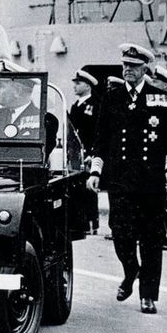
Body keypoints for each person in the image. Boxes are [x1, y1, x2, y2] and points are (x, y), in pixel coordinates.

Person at [87, 43, 167, 315]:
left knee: (151, 238)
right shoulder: (111, 98)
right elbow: (100, 140)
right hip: (120, 180)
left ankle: (148, 294)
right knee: (120, 233)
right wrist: (96, 171)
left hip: (150, 181)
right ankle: (131, 271)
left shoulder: (160, 99)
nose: (128, 70)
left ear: (145, 69)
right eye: (125, 65)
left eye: (134, 66)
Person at [70, 69, 100, 233]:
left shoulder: (95, 104)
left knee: (89, 189)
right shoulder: (76, 105)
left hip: (88, 153)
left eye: (78, 83)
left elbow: (97, 131)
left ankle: (92, 223)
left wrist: (93, 153)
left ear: (88, 86)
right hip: (76, 153)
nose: (75, 86)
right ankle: (81, 223)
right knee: (78, 188)